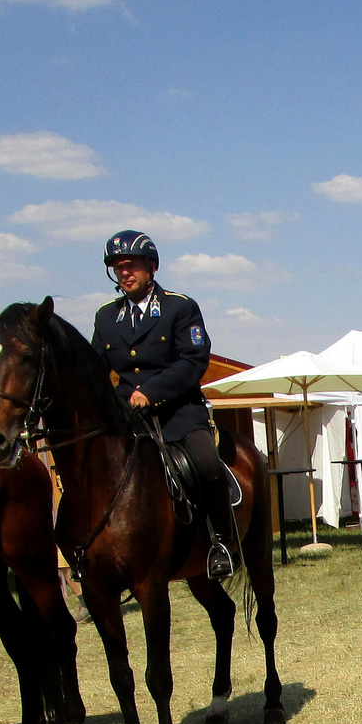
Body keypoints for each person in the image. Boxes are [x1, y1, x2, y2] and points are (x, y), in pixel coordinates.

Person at [92, 230, 236, 579]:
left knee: (205, 463)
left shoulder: (179, 307)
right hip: (129, 418)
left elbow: (193, 360)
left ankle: (223, 543)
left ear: (151, 267)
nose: (125, 273)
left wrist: (150, 392)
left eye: (131, 266)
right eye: (118, 267)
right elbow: (96, 370)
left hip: (179, 412)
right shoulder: (105, 317)